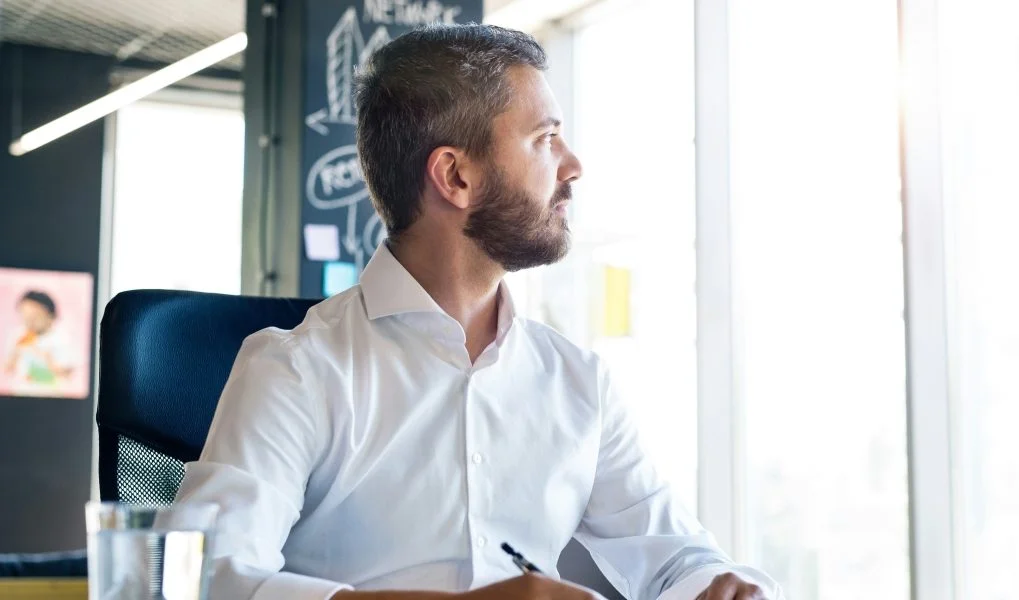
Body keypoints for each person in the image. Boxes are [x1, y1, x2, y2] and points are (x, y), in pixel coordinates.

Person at [173, 24, 782, 600]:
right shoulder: (295, 370)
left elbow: (679, 558)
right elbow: (207, 579)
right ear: (455, 175)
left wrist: (719, 583)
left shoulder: (578, 382)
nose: (572, 166)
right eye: (545, 139)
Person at [3, 290, 73, 390]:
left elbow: (68, 373)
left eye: (35, 316)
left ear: (51, 316)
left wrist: (47, 358)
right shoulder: (18, 335)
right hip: (22, 391)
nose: (29, 321)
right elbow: (7, 369)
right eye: (25, 316)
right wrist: (15, 354)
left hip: (52, 392)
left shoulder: (61, 339)